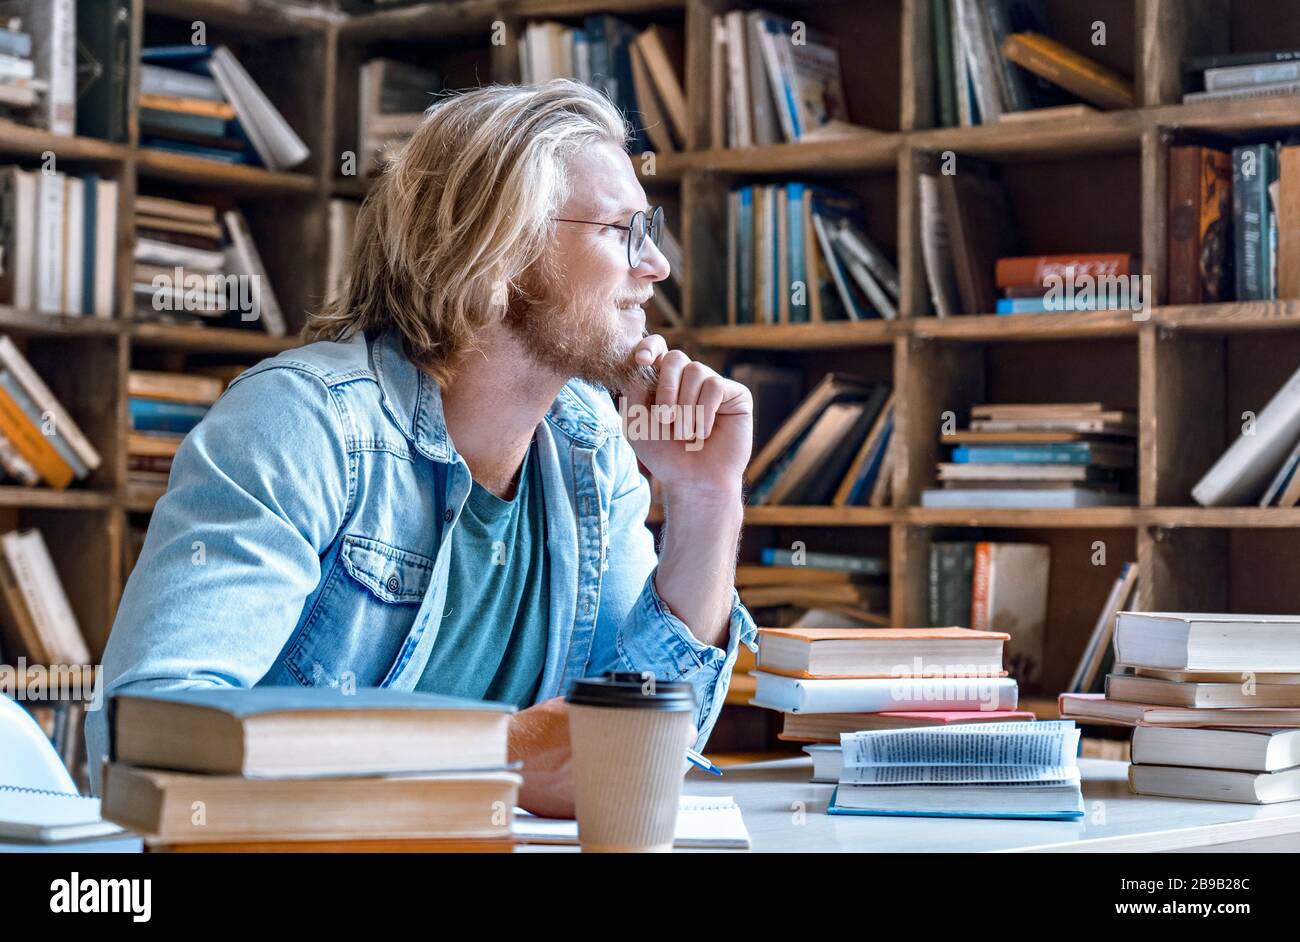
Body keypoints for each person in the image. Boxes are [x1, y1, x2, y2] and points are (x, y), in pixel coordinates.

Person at [86, 79, 758, 817]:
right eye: (620, 230)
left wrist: (705, 499)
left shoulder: (589, 445)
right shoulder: (302, 423)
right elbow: (146, 732)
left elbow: (636, 749)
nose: (656, 266)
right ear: (498, 249)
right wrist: (496, 747)